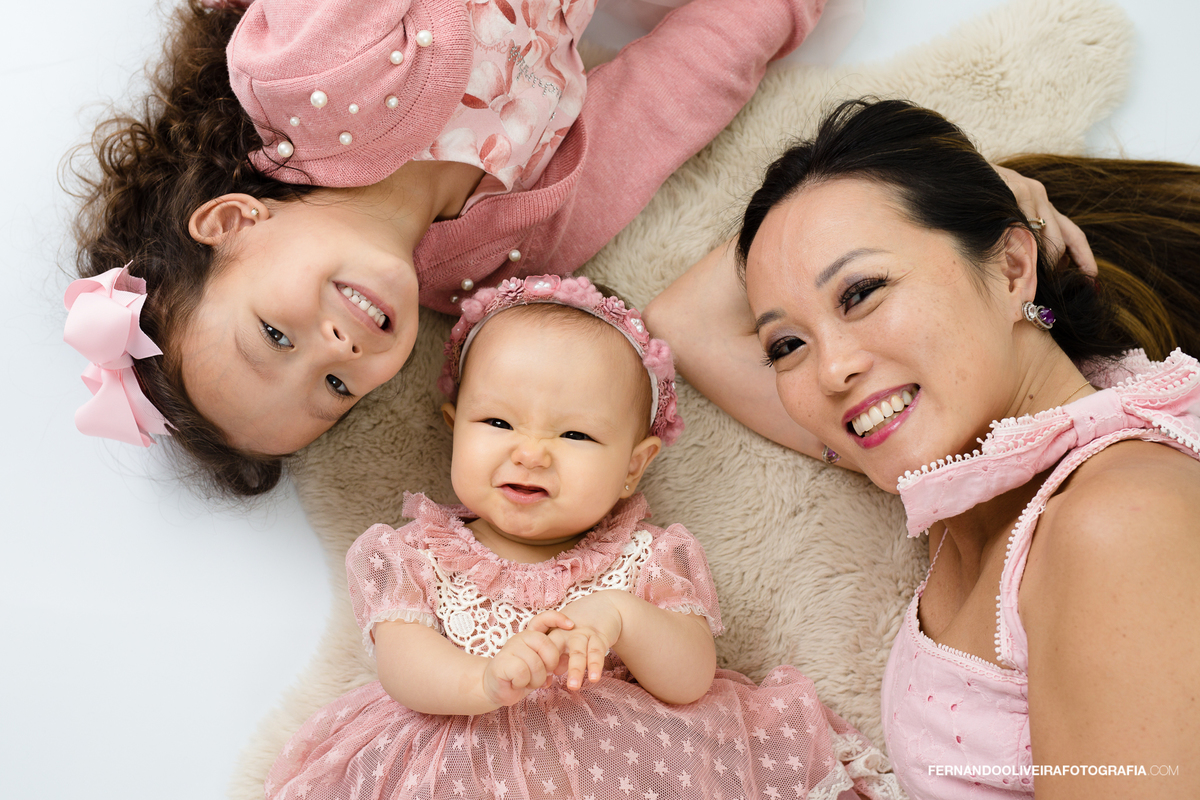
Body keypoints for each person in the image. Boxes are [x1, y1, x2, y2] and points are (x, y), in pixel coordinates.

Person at [64, 0, 830, 497]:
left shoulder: (306, 73)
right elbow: (670, 99)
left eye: (275, 335)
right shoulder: (510, 252)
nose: (335, 348)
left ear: (232, 223)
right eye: (336, 388)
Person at [263, 274, 902, 800]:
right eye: (498, 421)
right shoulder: (415, 554)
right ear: (455, 427)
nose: (532, 454)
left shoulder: (646, 558)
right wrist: (482, 682)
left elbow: (690, 680)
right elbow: (402, 663)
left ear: (633, 464)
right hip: (453, 758)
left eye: (574, 436)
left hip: (623, 765)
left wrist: (622, 617)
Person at [731, 99, 1200, 798]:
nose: (831, 372)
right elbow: (680, 321)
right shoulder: (974, 473)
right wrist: (980, 190)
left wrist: (976, 195)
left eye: (862, 291)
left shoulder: (1115, 521)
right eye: (787, 345)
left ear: (1015, 269)